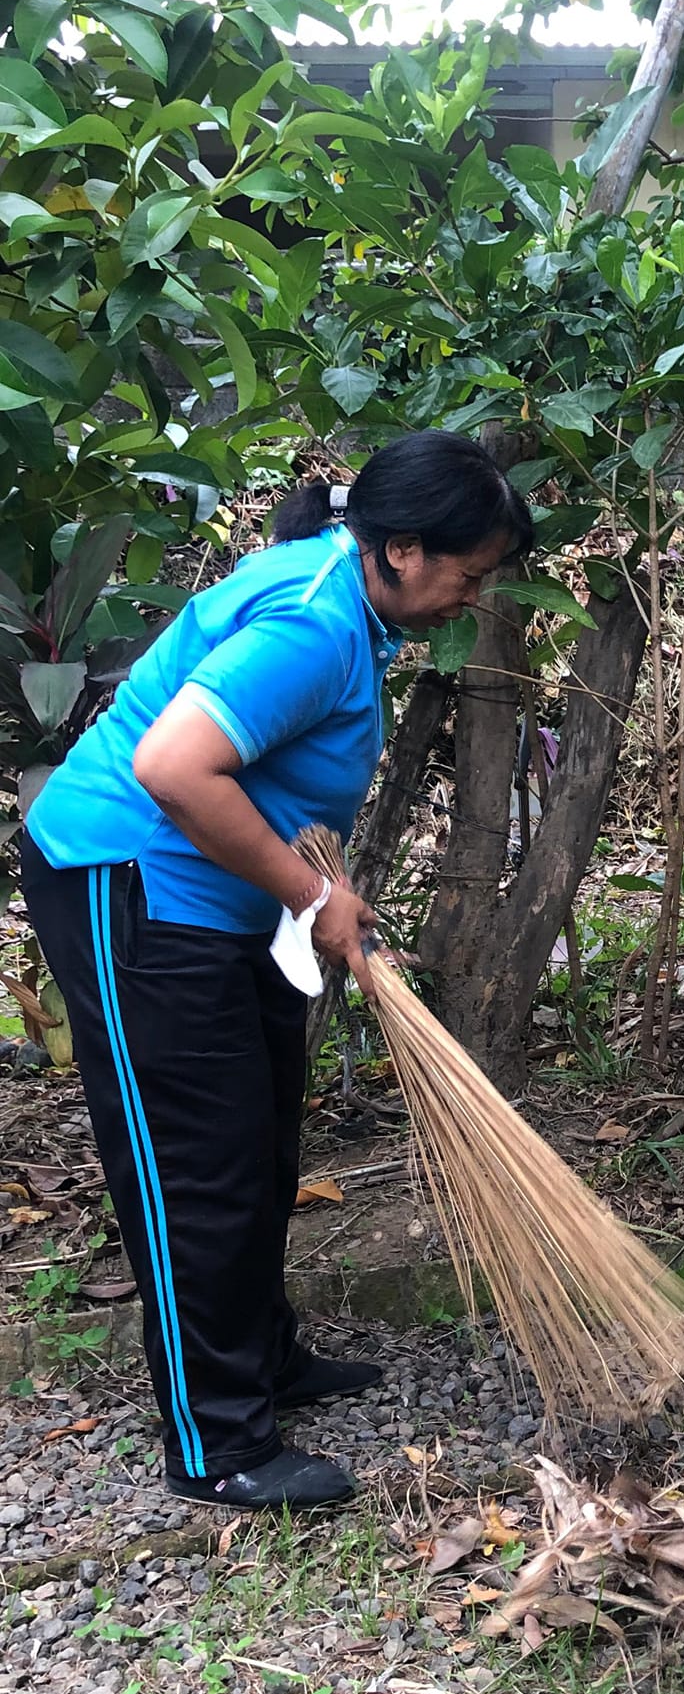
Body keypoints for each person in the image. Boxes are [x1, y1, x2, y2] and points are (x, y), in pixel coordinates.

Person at [21, 431, 532, 1511]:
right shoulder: (311, 620)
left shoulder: (352, 598)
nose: (470, 598)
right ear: (397, 548)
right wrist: (312, 895)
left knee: (256, 1135)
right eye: (466, 573)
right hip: (130, 885)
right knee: (191, 1161)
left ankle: (262, 1359)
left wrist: (300, 890)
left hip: (220, 898)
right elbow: (171, 767)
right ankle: (217, 1442)